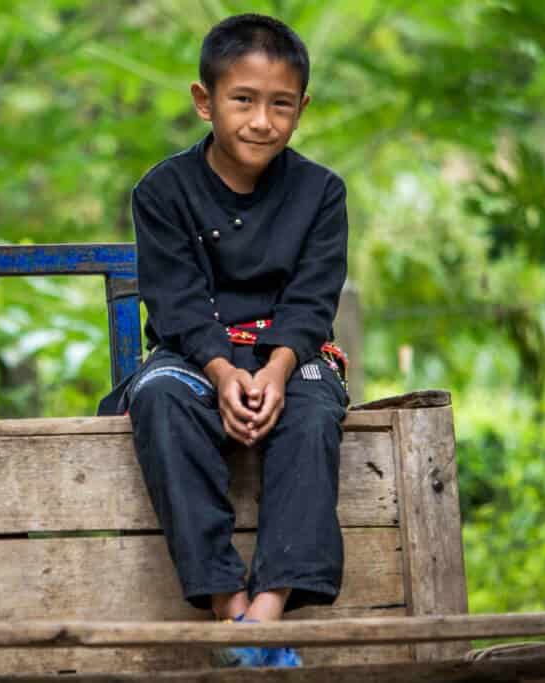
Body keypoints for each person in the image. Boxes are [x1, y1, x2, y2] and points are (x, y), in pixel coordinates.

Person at [97, 13, 350, 668]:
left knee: (317, 405)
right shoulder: (162, 191)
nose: (261, 120)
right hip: (192, 357)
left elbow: (313, 298)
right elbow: (175, 299)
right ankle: (224, 600)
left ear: (302, 108)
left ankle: (266, 611)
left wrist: (277, 368)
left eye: (280, 104)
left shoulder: (322, 192)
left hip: (289, 358)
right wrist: (219, 368)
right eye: (243, 99)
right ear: (205, 101)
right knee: (156, 397)